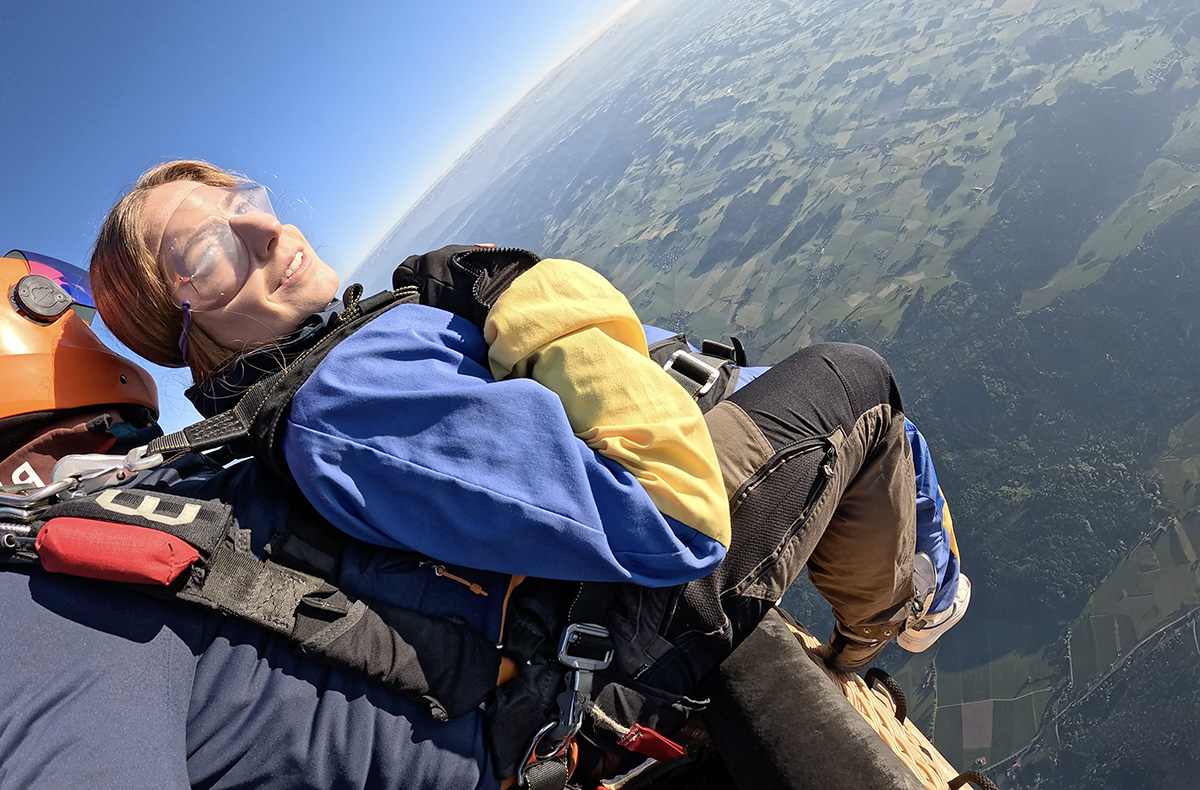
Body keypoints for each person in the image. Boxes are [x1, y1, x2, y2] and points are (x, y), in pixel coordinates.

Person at [87, 160, 947, 783]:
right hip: (637, 622)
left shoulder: (335, 362)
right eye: (208, 252)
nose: (268, 229)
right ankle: (905, 612)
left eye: (245, 200)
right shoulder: (346, 402)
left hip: (598, 595)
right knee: (855, 380)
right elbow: (670, 517)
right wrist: (526, 292)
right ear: (187, 332)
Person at [0, 250, 505, 789]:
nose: (91, 335)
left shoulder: (141, 487)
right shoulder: (35, 606)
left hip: (563, 647)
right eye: (74, 317)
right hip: (543, 744)